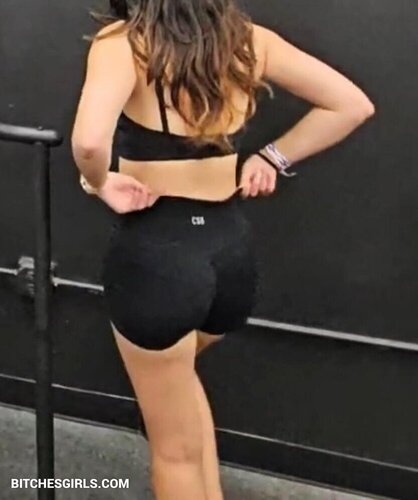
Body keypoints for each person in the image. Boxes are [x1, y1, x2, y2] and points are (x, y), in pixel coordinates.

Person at [71, 1, 375, 498]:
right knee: (181, 387)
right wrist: (271, 158)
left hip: (159, 259)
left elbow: (88, 143)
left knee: (173, 450)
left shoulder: (122, 43)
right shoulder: (249, 40)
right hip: (229, 254)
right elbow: (351, 104)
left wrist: (99, 181)